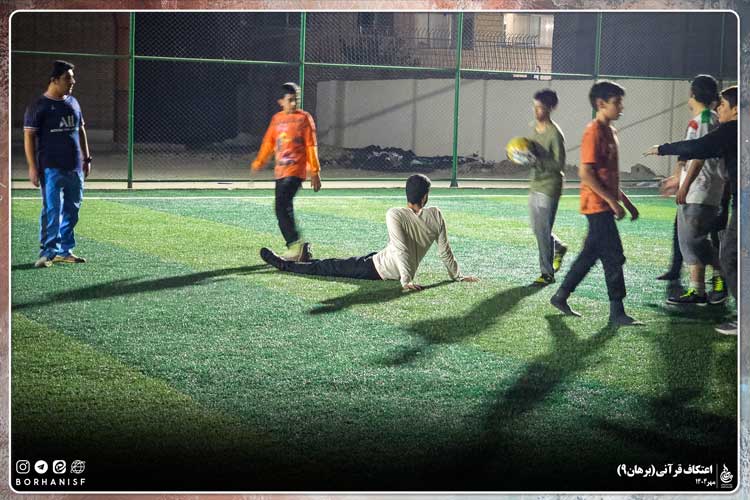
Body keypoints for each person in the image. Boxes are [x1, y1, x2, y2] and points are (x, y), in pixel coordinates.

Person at [260, 174, 479, 290]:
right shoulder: (436, 214)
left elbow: (402, 249)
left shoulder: (395, 213)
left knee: (329, 267)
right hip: (381, 259)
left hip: (380, 269)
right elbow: (444, 251)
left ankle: (284, 265)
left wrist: (406, 280)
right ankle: (305, 260)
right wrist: (457, 276)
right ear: (425, 197)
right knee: (338, 262)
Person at [645, 85, 738, 335]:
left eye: (724, 105)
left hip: (708, 192)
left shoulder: (720, 125)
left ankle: (723, 293)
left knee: (717, 250)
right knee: (715, 247)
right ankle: (703, 288)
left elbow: (698, 149)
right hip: (727, 195)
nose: (719, 108)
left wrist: (663, 151)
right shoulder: (724, 126)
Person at [549, 80, 641, 326]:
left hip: (604, 205)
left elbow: (608, 175)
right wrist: (612, 201)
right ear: (601, 104)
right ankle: (617, 312)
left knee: (590, 255)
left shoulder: (611, 132)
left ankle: (561, 296)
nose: (621, 107)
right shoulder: (593, 132)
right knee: (613, 256)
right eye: (617, 102)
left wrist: (626, 202)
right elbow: (586, 174)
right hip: (596, 206)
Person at [657, 75, 726, 306]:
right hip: (699, 187)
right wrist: (678, 177)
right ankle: (698, 290)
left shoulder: (706, 119)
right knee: (689, 240)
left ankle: (722, 273)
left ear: (693, 94)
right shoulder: (703, 119)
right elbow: (690, 152)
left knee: (693, 240)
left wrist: (685, 186)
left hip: (701, 188)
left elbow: (699, 153)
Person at [24, 60, 91, 268]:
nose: (73, 82)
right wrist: (32, 167)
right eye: (68, 78)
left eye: (72, 78)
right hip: (50, 167)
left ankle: (65, 251)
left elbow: (81, 130)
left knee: (73, 210)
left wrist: (86, 158)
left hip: (75, 167)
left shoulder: (73, 102)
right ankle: (47, 253)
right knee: (52, 210)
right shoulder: (39, 106)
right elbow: (29, 136)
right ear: (54, 80)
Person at [251, 82, 322, 261]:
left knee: (282, 205)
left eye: (296, 99)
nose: (294, 103)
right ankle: (299, 248)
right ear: (280, 102)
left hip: (295, 171)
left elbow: (311, 145)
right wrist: (260, 161)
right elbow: (269, 142)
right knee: (282, 207)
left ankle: (295, 246)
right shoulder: (277, 119)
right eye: (290, 100)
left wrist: (315, 171)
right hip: (281, 172)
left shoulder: (304, 118)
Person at [527, 88, 568, 286]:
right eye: (535, 107)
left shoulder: (555, 134)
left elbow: (559, 164)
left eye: (541, 108)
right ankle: (558, 247)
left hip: (550, 186)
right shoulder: (535, 129)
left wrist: (538, 160)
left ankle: (547, 274)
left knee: (542, 231)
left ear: (550, 108)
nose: (537, 111)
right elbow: (534, 155)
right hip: (536, 183)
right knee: (538, 229)